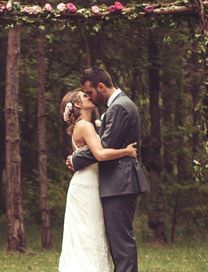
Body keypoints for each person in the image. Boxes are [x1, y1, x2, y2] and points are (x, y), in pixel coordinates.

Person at [68, 67, 150, 272]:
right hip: (118, 182)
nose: (89, 97)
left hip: (120, 183)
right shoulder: (118, 106)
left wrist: (75, 159)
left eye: (90, 93)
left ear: (101, 86)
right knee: (118, 243)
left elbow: (103, 148)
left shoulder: (119, 107)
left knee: (121, 245)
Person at [58, 89, 138, 272]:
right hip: (87, 186)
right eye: (85, 96)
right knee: (88, 234)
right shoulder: (85, 126)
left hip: (88, 183)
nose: (90, 96)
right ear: (78, 104)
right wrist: (126, 151)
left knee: (90, 234)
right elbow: (100, 154)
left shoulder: (88, 124)